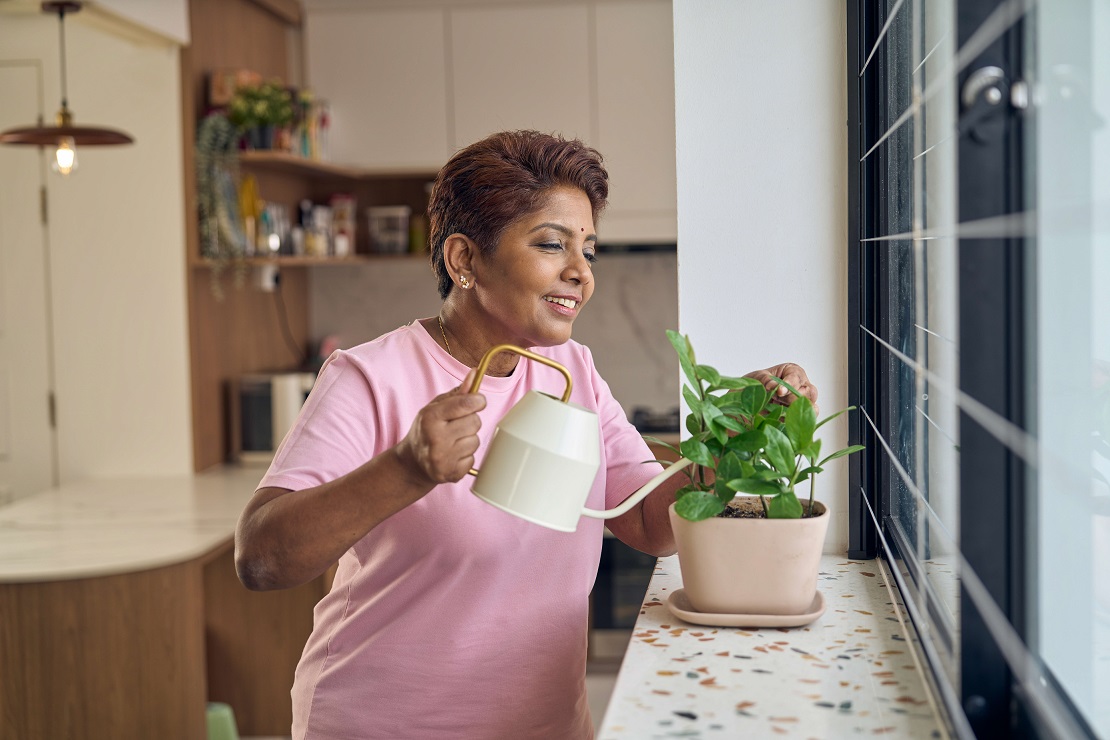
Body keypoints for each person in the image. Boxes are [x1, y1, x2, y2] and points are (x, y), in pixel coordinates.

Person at [234, 130, 819, 739]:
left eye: (588, 250)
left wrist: (736, 429)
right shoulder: (370, 376)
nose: (580, 273)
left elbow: (649, 522)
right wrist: (406, 469)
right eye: (551, 244)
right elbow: (262, 557)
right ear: (464, 260)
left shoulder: (574, 371)